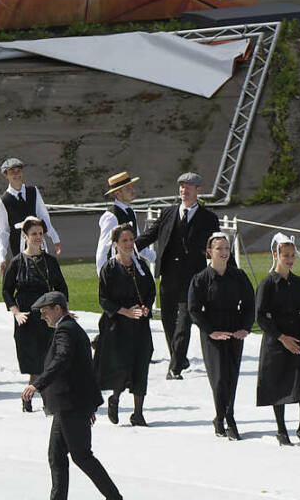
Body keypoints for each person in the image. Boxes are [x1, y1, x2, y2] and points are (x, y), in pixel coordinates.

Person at [23, 291, 131, 500]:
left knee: (82, 456)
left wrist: (37, 384)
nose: (42, 317)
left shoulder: (66, 330)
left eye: (44, 312)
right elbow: (82, 368)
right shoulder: (69, 329)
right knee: (57, 455)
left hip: (71, 404)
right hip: (70, 404)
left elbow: (62, 360)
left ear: (57, 309)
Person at [137, 171, 219, 380]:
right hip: (168, 276)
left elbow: (217, 247)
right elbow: (150, 235)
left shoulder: (209, 218)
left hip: (193, 279)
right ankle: (178, 357)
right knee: (168, 320)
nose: (184, 190)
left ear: (198, 190)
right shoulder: (168, 213)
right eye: (181, 187)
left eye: (188, 187)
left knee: (184, 320)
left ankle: (174, 368)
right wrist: (127, 247)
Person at [187, 232, 254, 439]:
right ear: (209, 251)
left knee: (231, 376)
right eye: (219, 248)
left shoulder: (239, 276)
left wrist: (245, 327)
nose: (224, 252)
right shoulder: (201, 279)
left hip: (234, 329)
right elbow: (194, 310)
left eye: (226, 248)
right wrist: (211, 332)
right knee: (219, 378)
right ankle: (221, 416)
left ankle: (229, 415)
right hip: (213, 332)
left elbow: (250, 303)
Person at [255, 232, 300, 447]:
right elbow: (260, 316)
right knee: (277, 383)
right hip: (278, 341)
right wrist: (281, 337)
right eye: (286, 255)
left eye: (293, 255)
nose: (290, 259)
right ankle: (281, 430)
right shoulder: (268, 284)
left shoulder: (299, 282)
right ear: (276, 254)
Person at [95, 223, 156, 427]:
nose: (129, 244)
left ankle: (138, 413)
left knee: (141, 365)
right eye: (125, 241)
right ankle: (115, 398)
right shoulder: (110, 269)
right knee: (122, 367)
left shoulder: (140, 265)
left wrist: (146, 307)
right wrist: (126, 311)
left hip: (140, 326)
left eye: (131, 240)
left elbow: (150, 291)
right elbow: (104, 299)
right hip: (118, 326)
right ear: (116, 244)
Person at [5, 216, 68, 412]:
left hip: (48, 317)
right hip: (27, 317)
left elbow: (61, 288)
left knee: (48, 359)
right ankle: (29, 396)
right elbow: (7, 291)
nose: (38, 237)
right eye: (34, 234)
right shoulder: (17, 262)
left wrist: (63, 312)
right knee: (33, 362)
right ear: (25, 236)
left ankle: (48, 399)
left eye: (41, 234)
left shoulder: (50, 262)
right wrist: (16, 312)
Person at [0, 157, 60, 273]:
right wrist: (2, 256)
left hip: (37, 241)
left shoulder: (33, 191)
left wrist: (54, 237)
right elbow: (3, 231)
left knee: (43, 272)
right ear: (6, 175)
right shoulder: (2, 201)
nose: (16, 174)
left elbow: (43, 216)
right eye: (12, 172)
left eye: (18, 171)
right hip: (18, 245)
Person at [94, 171, 155, 276]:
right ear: (117, 193)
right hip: (117, 271)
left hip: (132, 267)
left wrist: (156, 258)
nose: (132, 190)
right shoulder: (111, 216)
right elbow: (103, 251)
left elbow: (137, 243)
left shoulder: (131, 211)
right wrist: (103, 278)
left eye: (132, 187)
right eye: (128, 188)